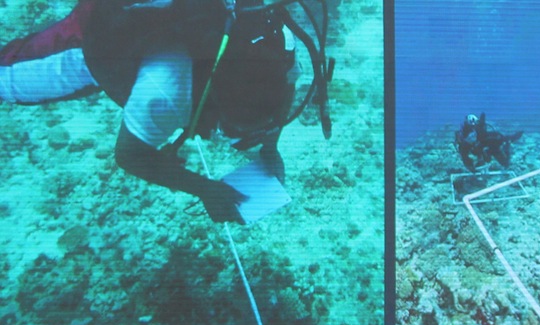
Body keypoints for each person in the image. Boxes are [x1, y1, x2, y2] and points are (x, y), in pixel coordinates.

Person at [0, 0, 332, 224]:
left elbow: (279, 101)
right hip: (105, 40)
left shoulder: (278, 49)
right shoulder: (166, 91)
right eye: (236, 127)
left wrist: (270, 145)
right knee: (7, 80)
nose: (241, 135)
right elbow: (129, 155)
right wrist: (203, 188)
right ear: (216, 99)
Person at [454, 112, 521, 171]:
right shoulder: (462, 135)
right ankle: (479, 163)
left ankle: (508, 143)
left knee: (505, 162)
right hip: (478, 148)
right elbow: (463, 149)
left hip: (489, 146)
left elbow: (489, 137)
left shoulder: (483, 133)